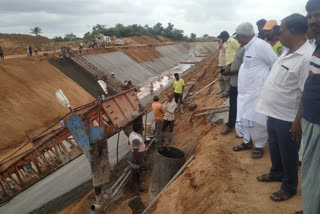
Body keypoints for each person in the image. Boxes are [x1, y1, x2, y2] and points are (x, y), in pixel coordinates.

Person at [255, 13, 314, 202]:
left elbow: (306, 93)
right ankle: (276, 172)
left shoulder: (306, 57)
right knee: (274, 146)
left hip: (287, 117)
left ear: (294, 30)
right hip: (272, 112)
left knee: (288, 153)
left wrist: (297, 122)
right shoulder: (286, 50)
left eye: (282, 28)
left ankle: (289, 186)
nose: (278, 32)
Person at [232, 22, 277, 159]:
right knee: (245, 117)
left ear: (242, 35)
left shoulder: (261, 46)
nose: (237, 39)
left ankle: (259, 146)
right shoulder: (247, 47)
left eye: (237, 36)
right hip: (245, 93)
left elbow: (275, 63)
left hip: (257, 92)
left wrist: (267, 84)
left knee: (258, 120)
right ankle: (247, 141)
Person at [291, 1, 320, 213]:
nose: (312, 21)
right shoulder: (318, 47)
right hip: (312, 123)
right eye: (310, 16)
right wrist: (301, 118)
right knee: (312, 177)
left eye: (318, 15)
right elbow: (310, 85)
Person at [221, 43, 245, 134]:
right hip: (234, 82)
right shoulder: (240, 47)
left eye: (238, 36)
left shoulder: (247, 49)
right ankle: (232, 124)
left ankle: (236, 125)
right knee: (233, 104)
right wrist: (230, 65)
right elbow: (237, 60)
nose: (237, 39)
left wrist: (231, 72)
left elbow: (246, 65)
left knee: (238, 105)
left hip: (240, 83)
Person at [219, 31, 239, 98]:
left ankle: (232, 93)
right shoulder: (226, 42)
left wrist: (234, 62)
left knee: (233, 80)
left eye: (222, 38)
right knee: (227, 79)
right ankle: (229, 93)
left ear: (225, 37)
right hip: (228, 64)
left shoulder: (233, 41)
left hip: (233, 64)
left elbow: (238, 52)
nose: (222, 39)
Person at [128, 120, 146, 194]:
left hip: (135, 158)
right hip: (136, 159)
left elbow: (129, 142)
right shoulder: (136, 138)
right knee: (134, 175)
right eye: (142, 126)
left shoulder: (132, 134)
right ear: (139, 128)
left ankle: (139, 187)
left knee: (137, 174)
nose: (143, 127)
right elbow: (136, 152)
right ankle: (133, 190)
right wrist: (141, 162)